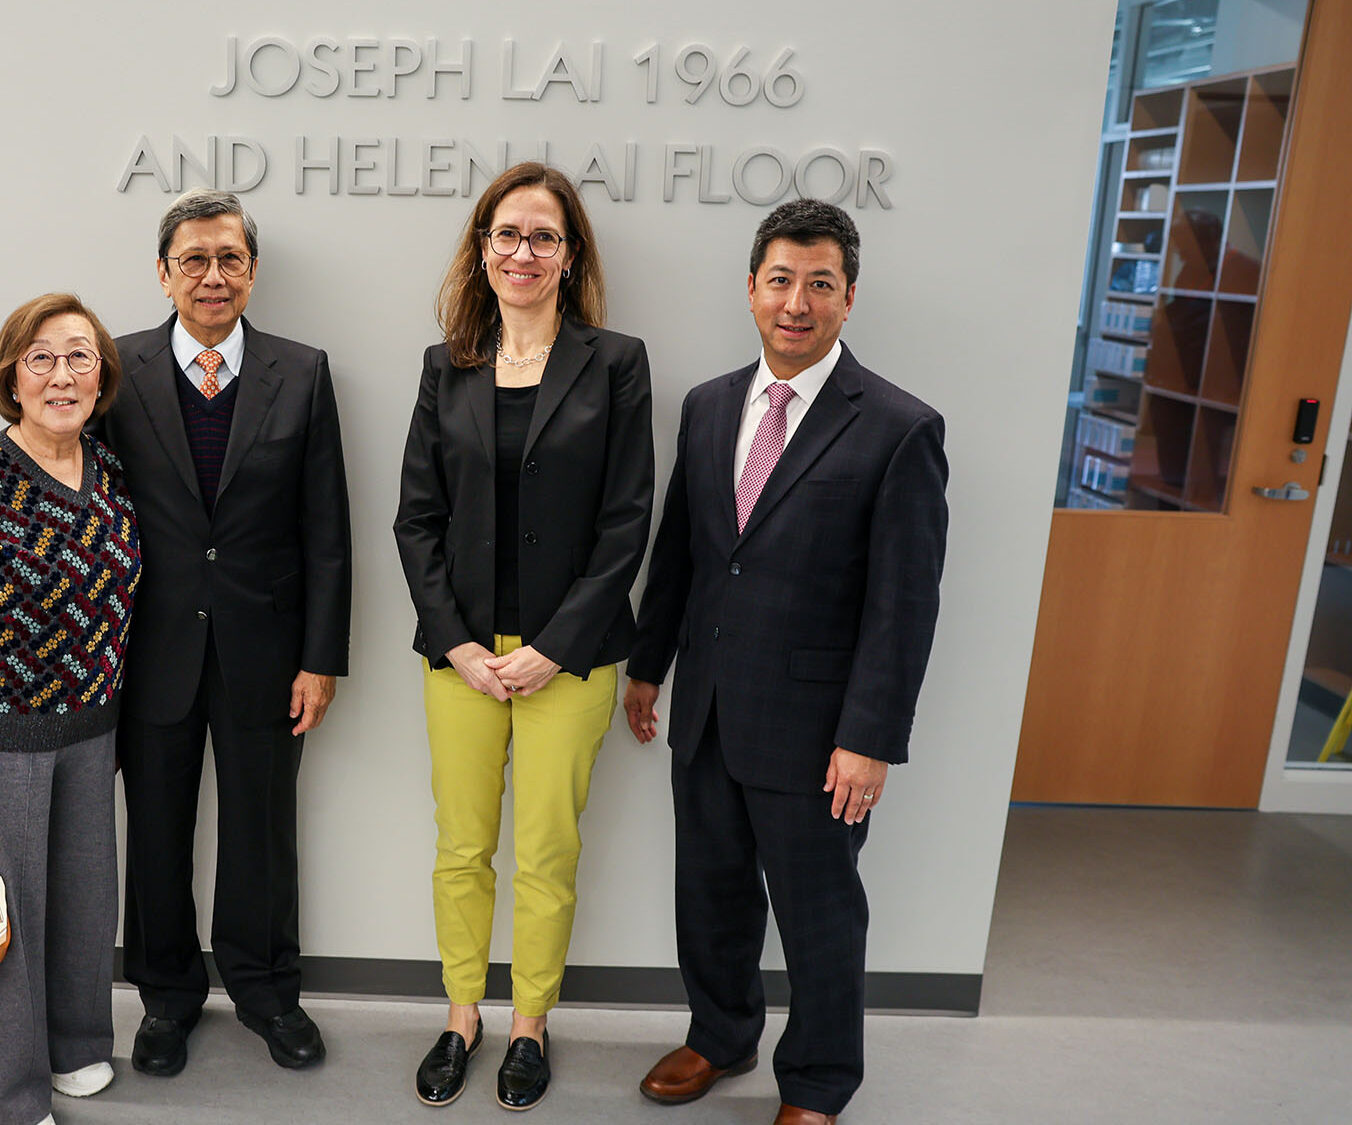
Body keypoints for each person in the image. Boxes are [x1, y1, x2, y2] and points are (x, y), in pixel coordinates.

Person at [623, 199, 948, 1125]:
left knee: (818, 917)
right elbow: (683, 551)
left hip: (818, 735)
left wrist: (870, 738)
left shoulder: (897, 427)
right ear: (751, 289)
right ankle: (720, 1036)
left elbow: (904, 603)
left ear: (849, 298)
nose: (796, 302)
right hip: (710, 710)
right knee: (710, 891)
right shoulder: (710, 403)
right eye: (780, 280)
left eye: (819, 284)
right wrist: (649, 667)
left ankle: (815, 1083)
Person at [393, 161, 654, 1111]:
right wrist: (458, 644)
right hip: (458, 654)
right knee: (461, 847)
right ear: (483, 248)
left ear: (569, 253)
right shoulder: (444, 363)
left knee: (547, 849)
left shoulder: (616, 361)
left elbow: (629, 520)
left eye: (544, 236)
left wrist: (554, 645)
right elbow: (414, 520)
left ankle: (530, 1024)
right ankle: (462, 1014)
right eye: (507, 234)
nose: (524, 252)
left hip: (570, 657)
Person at [98, 188, 353, 1076]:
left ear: (252, 270)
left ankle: (266, 989)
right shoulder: (113, 368)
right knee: (157, 832)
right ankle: (165, 997)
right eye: (194, 260)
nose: (213, 276)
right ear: (163, 272)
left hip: (265, 653)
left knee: (262, 834)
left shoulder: (303, 369)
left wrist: (321, 658)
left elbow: (327, 530)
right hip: (149, 654)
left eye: (230, 259)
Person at [0, 293, 140, 1125]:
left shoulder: (109, 468)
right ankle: (4, 1099)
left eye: (79, 356)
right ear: (11, 375)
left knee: (84, 904)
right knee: (1, 926)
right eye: (40, 357)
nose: (61, 374)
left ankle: (78, 1044)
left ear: (102, 374)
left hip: (92, 731)